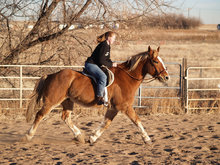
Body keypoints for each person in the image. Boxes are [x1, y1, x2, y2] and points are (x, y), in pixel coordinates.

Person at [85, 31, 117, 105]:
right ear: (109, 38)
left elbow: (106, 59)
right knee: (103, 77)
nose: (114, 40)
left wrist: (112, 63)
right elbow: (101, 60)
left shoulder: (108, 45)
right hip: (91, 64)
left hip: (95, 65)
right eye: (113, 38)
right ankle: (99, 97)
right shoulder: (104, 45)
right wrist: (111, 64)